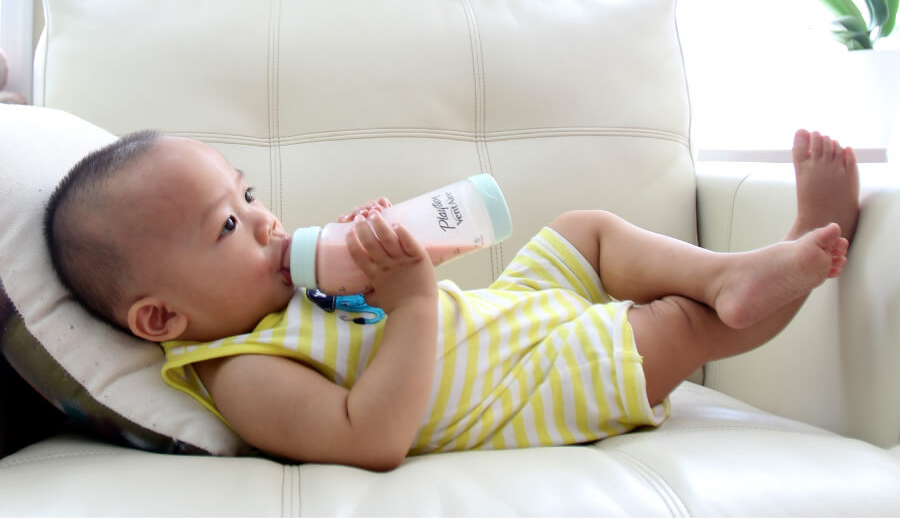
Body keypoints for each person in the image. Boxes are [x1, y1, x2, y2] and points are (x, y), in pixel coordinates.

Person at [44, 129, 859, 471]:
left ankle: (729, 268)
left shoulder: (284, 293)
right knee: (678, 326)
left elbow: (382, 299)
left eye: (250, 193)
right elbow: (371, 438)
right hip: (532, 385)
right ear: (161, 319)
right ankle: (773, 268)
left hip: (511, 310)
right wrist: (413, 299)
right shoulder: (242, 369)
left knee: (587, 230)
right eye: (228, 222)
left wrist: (379, 252)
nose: (265, 220)